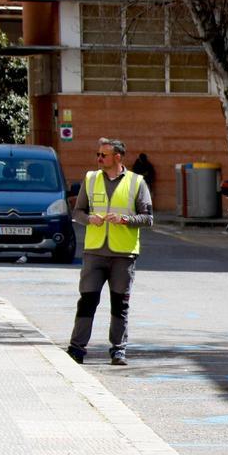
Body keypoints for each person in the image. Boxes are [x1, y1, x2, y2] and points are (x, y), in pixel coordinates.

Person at [67, 138, 153, 366]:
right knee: (87, 301)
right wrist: (89, 219)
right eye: (97, 154)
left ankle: (118, 350)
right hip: (95, 252)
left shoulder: (137, 182)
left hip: (123, 254)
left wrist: (125, 219)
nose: (98, 159)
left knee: (120, 304)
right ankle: (76, 348)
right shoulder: (91, 178)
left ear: (117, 157)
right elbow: (78, 213)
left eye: (103, 155)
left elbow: (148, 218)